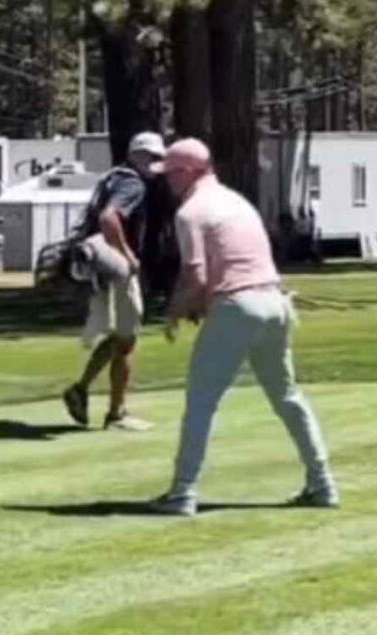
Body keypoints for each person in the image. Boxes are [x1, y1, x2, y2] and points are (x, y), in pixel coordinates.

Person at [147, 138, 338, 517]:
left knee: (201, 401)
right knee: (287, 396)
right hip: (273, 302)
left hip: (237, 305)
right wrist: (201, 304)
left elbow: (196, 275)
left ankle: (183, 491)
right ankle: (322, 483)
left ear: (187, 172)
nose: (166, 180)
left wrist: (174, 312)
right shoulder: (237, 202)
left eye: (169, 172)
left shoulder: (191, 212)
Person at [61, 131, 166, 432]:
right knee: (128, 339)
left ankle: (80, 390)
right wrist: (129, 256)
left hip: (100, 265)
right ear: (137, 155)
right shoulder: (132, 183)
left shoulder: (112, 177)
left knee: (119, 337)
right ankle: (116, 413)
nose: (157, 163)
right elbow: (110, 218)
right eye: (153, 157)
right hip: (117, 266)